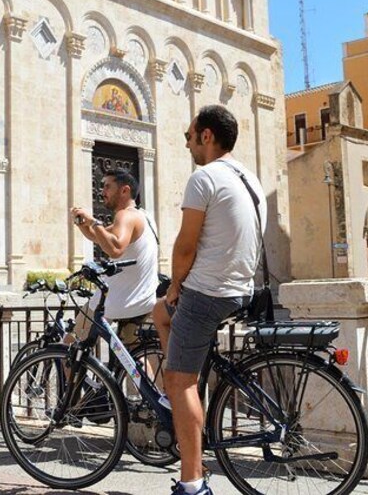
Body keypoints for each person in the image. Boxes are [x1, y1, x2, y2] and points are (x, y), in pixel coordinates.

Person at [152, 105, 266, 495]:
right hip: (241, 290)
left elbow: (185, 246)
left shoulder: (204, 178)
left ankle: (192, 482)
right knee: (159, 314)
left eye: (188, 136)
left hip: (207, 292)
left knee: (178, 381)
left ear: (206, 136)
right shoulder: (250, 179)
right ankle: (186, 387)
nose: (186, 144)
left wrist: (174, 284)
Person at [69, 169, 159, 352]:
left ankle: (70, 380)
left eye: (108, 186)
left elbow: (115, 248)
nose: (102, 192)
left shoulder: (125, 216)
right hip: (142, 302)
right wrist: (82, 223)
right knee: (135, 362)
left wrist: (93, 220)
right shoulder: (144, 216)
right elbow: (99, 236)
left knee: (70, 347)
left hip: (116, 302)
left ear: (125, 190)